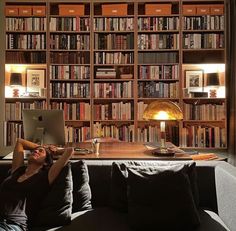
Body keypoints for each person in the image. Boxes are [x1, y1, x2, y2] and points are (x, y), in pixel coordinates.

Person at [0, 138, 74, 231]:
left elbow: (69, 150)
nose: (36, 151)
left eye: (40, 151)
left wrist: (54, 150)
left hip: (12, 224)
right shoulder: (17, 170)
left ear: (46, 162)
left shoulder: (46, 176)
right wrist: (42, 147)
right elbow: (20, 142)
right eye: (34, 150)